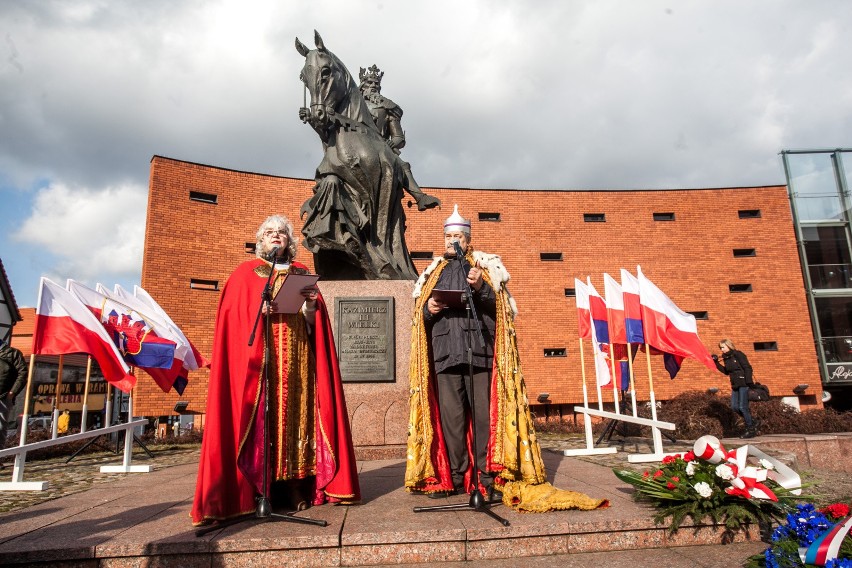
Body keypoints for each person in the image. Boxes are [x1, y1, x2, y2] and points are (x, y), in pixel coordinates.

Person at [405, 205, 608, 513]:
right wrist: (428, 311)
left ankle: (487, 478)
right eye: (448, 236)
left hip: (480, 353)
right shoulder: (432, 272)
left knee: (486, 421)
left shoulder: (485, 267)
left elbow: (502, 310)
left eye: (458, 236)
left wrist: (481, 288)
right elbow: (419, 318)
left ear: (468, 239)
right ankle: (457, 477)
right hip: (444, 356)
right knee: (452, 422)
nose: (452, 241)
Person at [192, 214, 361, 525]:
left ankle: (296, 486)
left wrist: (311, 305)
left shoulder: (301, 273)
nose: (276, 236)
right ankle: (259, 489)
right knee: (262, 425)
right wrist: (260, 309)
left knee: (298, 423)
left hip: (299, 366)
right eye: (269, 232)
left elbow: (315, 325)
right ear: (261, 240)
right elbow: (235, 321)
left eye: (281, 232)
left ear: (289, 240)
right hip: (261, 369)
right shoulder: (246, 274)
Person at [358, 64, 440, 212]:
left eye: (376, 83)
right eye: (369, 83)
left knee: (402, 165)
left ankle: (420, 197)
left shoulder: (387, 108)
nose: (373, 86)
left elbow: (399, 138)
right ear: (362, 85)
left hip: (380, 146)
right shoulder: (352, 104)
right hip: (355, 144)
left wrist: (390, 143)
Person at [712, 339, 759, 439]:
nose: (722, 349)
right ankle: (752, 421)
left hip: (744, 383)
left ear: (729, 346)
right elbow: (726, 371)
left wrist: (749, 381)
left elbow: (747, 367)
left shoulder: (738, 354)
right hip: (735, 385)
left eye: (723, 347)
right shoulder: (726, 358)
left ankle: (750, 429)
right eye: (720, 348)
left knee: (743, 407)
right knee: (734, 407)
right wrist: (716, 363)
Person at [0, 339, 27, 442]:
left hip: (3, 397)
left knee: (0, 428)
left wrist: (12, 393)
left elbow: (23, 373)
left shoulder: (13, 353)